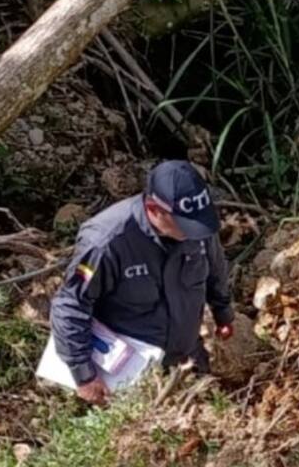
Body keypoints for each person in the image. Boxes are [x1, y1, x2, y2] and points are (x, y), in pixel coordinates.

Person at [48, 160, 234, 404]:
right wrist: (83, 375)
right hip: (126, 373)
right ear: (154, 210)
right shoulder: (106, 242)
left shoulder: (197, 227)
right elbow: (70, 305)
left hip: (186, 360)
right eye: (185, 224)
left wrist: (223, 312)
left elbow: (215, 268)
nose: (193, 232)